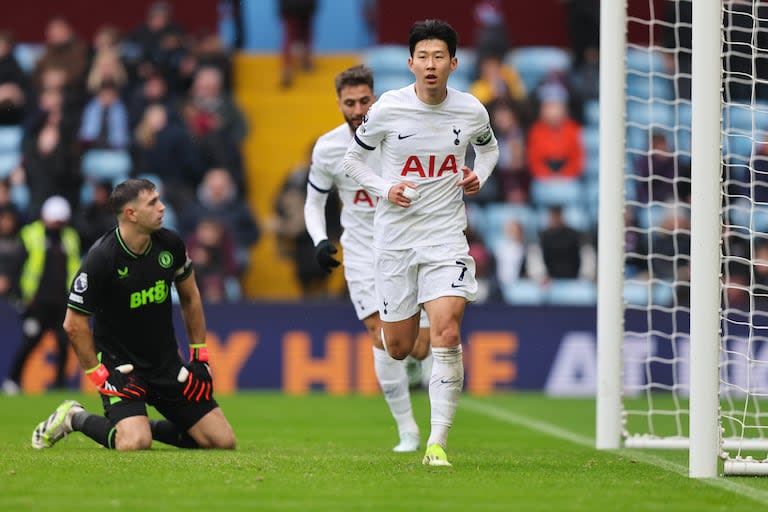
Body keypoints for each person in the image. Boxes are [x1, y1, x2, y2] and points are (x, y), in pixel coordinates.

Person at [342, 20, 499, 466]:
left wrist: (478, 175)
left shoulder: (472, 111)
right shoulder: (388, 109)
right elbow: (354, 159)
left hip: (445, 236)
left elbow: (489, 150)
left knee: (447, 332)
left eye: (439, 57)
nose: (430, 65)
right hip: (394, 240)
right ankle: (414, 344)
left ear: (454, 62)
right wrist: (384, 187)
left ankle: (437, 444)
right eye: (422, 57)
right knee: (401, 347)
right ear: (410, 63)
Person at [31, 178, 236, 451]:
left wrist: (200, 357)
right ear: (131, 214)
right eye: (153, 203)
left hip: (166, 365)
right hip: (122, 368)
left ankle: (137, 423)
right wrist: (100, 377)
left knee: (222, 441)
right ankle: (73, 417)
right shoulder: (101, 259)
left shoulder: (171, 245)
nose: (162, 208)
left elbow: (190, 297)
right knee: (134, 443)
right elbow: (73, 324)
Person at [304, 65, 431, 452]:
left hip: (408, 246)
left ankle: (409, 361)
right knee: (381, 338)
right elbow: (314, 202)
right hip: (362, 254)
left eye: (364, 100)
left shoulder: (400, 135)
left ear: (374, 97)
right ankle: (407, 431)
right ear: (339, 104)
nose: (358, 109)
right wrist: (320, 240)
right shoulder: (328, 147)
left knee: (420, 348)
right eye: (349, 102)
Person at [3, 196, 80, 394]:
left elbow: (75, 268)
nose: (57, 225)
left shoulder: (70, 237)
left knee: (64, 344)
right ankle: (12, 380)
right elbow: (18, 266)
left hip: (62, 302)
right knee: (31, 341)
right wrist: (20, 298)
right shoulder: (31, 234)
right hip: (37, 303)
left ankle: (59, 385)